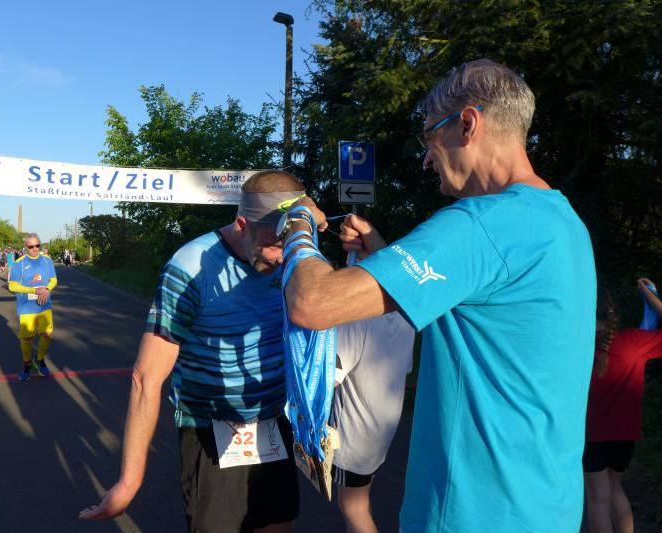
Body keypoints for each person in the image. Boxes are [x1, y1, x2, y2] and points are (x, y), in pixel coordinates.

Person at [280, 59, 596, 531]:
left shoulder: (482, 223)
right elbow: (486, 313)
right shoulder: (562, 221)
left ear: (467, 124)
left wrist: (297, 223)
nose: (426, 158)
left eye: (429, 137)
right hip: (545, 506)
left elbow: (313, 302)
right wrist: (383, 252)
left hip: (472, 513)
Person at [79, 171, 306, 533]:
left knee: (278, 526)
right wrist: (129, 482)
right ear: (242, 224)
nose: (282, 259)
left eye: (289, 245)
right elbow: (146, 377)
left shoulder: (297, 255)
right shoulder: (190, 267)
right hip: (211, 428)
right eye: (272, 245)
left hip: (273, 422)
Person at [583, 282, 662, 533]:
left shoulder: (577, 346)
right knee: (615, 489)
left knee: (598, 500)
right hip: (625, 437)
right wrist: (651, 298)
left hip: (592, 437)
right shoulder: (634, 342)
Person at [331, 311, 414, 533]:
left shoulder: (356, 317)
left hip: (354, 434)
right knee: (360, 500)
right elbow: (406, 366)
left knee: (353, 507)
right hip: (383, 425)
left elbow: (331, 377)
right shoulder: (403, 313)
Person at [8, 234, 57, 381]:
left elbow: (54, 280)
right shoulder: (19, 263)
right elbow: (12, 286)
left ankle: (40, 359)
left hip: (44, 305)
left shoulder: (47, 261)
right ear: (26, 247)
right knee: (27, 338)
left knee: (47, 334)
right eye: (31, 246)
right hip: (27, 308)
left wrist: (46, 290)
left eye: (37, 245)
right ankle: (27, 364)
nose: (35, 249)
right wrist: (34, 290)